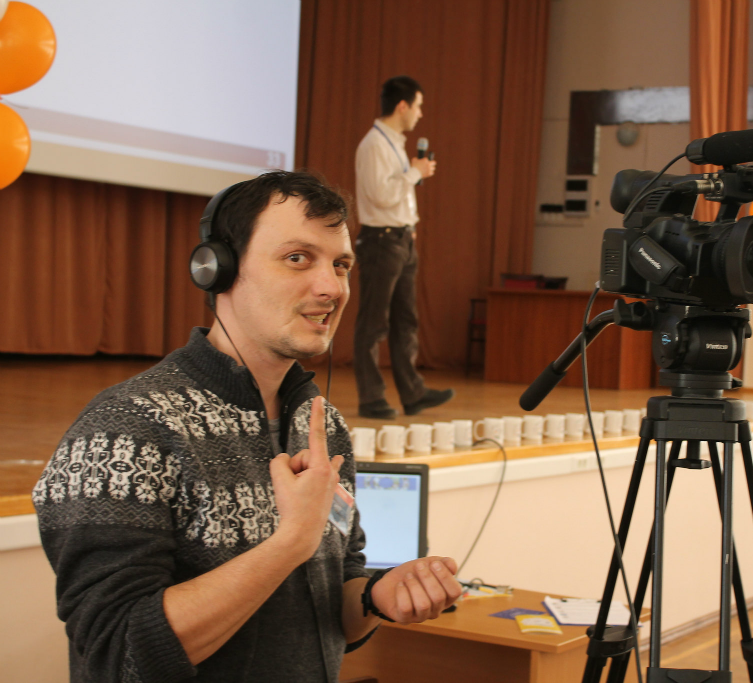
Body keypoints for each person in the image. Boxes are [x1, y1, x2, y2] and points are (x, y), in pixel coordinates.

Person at [32, 171, 462, 682]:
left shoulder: (320, 423)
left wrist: (375, 595)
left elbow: (334, 614)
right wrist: (289, 543)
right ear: (218, 269)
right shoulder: (123, 430)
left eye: (341, 264)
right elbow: (116, 654)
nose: (331, 287)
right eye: (297, 258)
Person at [353, 75, 454, 419]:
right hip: (381, 241)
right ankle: (371, 398)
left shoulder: (394, 143)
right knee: (373, 324)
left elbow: (394, 193)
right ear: (402, 106)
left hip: (402, 240)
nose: (420, 114)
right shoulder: (374, 144)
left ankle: (413, 393)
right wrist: (414, 172)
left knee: (405, 321)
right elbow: (379, 196)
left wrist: (412, 174)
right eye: (418, 106)